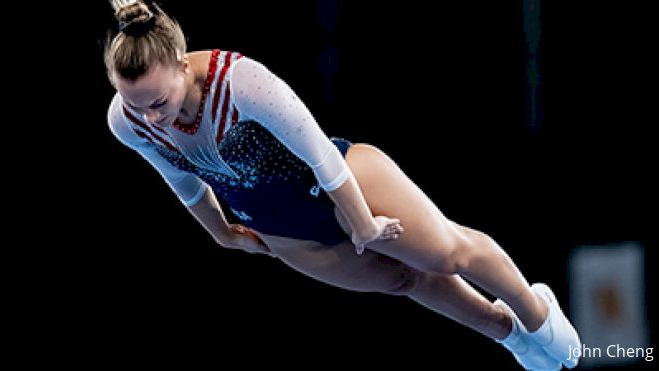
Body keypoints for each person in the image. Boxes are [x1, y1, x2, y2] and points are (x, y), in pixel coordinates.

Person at [104, 1, 581, 369]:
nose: (150, 118)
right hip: (283, 228)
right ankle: (510, 334)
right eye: (135, 104)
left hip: (344, 182)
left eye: (158, 102)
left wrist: (364, 224)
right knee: (401, 280)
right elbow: (179, 176)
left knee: (445, 254)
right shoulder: (126, 122)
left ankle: (536, 312)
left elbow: (321, 155)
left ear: (184, 66)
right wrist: (221, 233)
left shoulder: (241, 82)